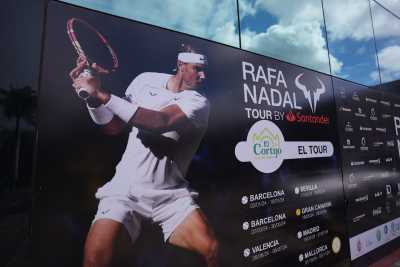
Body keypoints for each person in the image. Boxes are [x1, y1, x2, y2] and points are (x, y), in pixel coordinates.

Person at [69, 44, 219, 267]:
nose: (203, 75)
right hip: (125, 191)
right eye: (197, 69)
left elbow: (160, 122)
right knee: (94, 262)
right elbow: (113, 126)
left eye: (204, 70)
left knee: (211, 250)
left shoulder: (199, 101)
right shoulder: (144, 80)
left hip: (171, 196)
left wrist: (100, 92)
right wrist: (92, 98)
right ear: (180, 64)